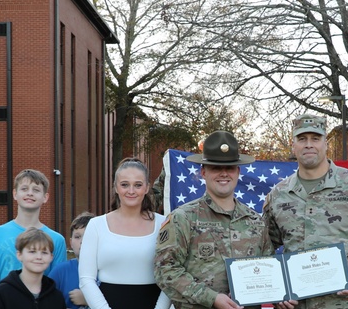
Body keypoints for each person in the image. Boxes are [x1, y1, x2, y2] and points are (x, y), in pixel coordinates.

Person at [262, 114, 348, 309]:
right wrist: (275, 288)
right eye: (302, 139)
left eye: (315, 138)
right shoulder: (278, 195)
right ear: (293, 145)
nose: (308, 145)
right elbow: (264, 247)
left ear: (326, 143)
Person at [154, 130, 274, 309]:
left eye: (230, 167)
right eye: (216, 167)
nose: (224, 173)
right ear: (203, 172)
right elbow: (165, 270)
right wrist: (211, 298)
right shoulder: (183, 218)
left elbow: (269, 268)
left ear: (238, 172)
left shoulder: (256, 222)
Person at [78, 158, 170, 309]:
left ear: (147, 188)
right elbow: (86, 279)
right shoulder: (96, 226)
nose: (131, 191)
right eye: (125, 184)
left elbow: (172, 275)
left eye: (138, 185)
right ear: (115, 187)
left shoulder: (164, 224)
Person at [0, 169, 67, 297]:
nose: (30, 193)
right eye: (24, 189)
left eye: (36, 190)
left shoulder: (56, 239)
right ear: (15, 194)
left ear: (45, 197)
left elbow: (56, 284)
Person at [0, 227, 66, 309]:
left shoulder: (56, 297)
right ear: (19, 255)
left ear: (51, 257)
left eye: (44, 252)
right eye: (32, 251)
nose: (39, 257)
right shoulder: (2, 293)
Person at [49, 211, 95, 309]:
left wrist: (88, 300)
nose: (82, 241)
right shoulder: (60, 271)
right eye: (77, 237)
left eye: (88, 236)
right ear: (71, 243)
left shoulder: (108, 271)